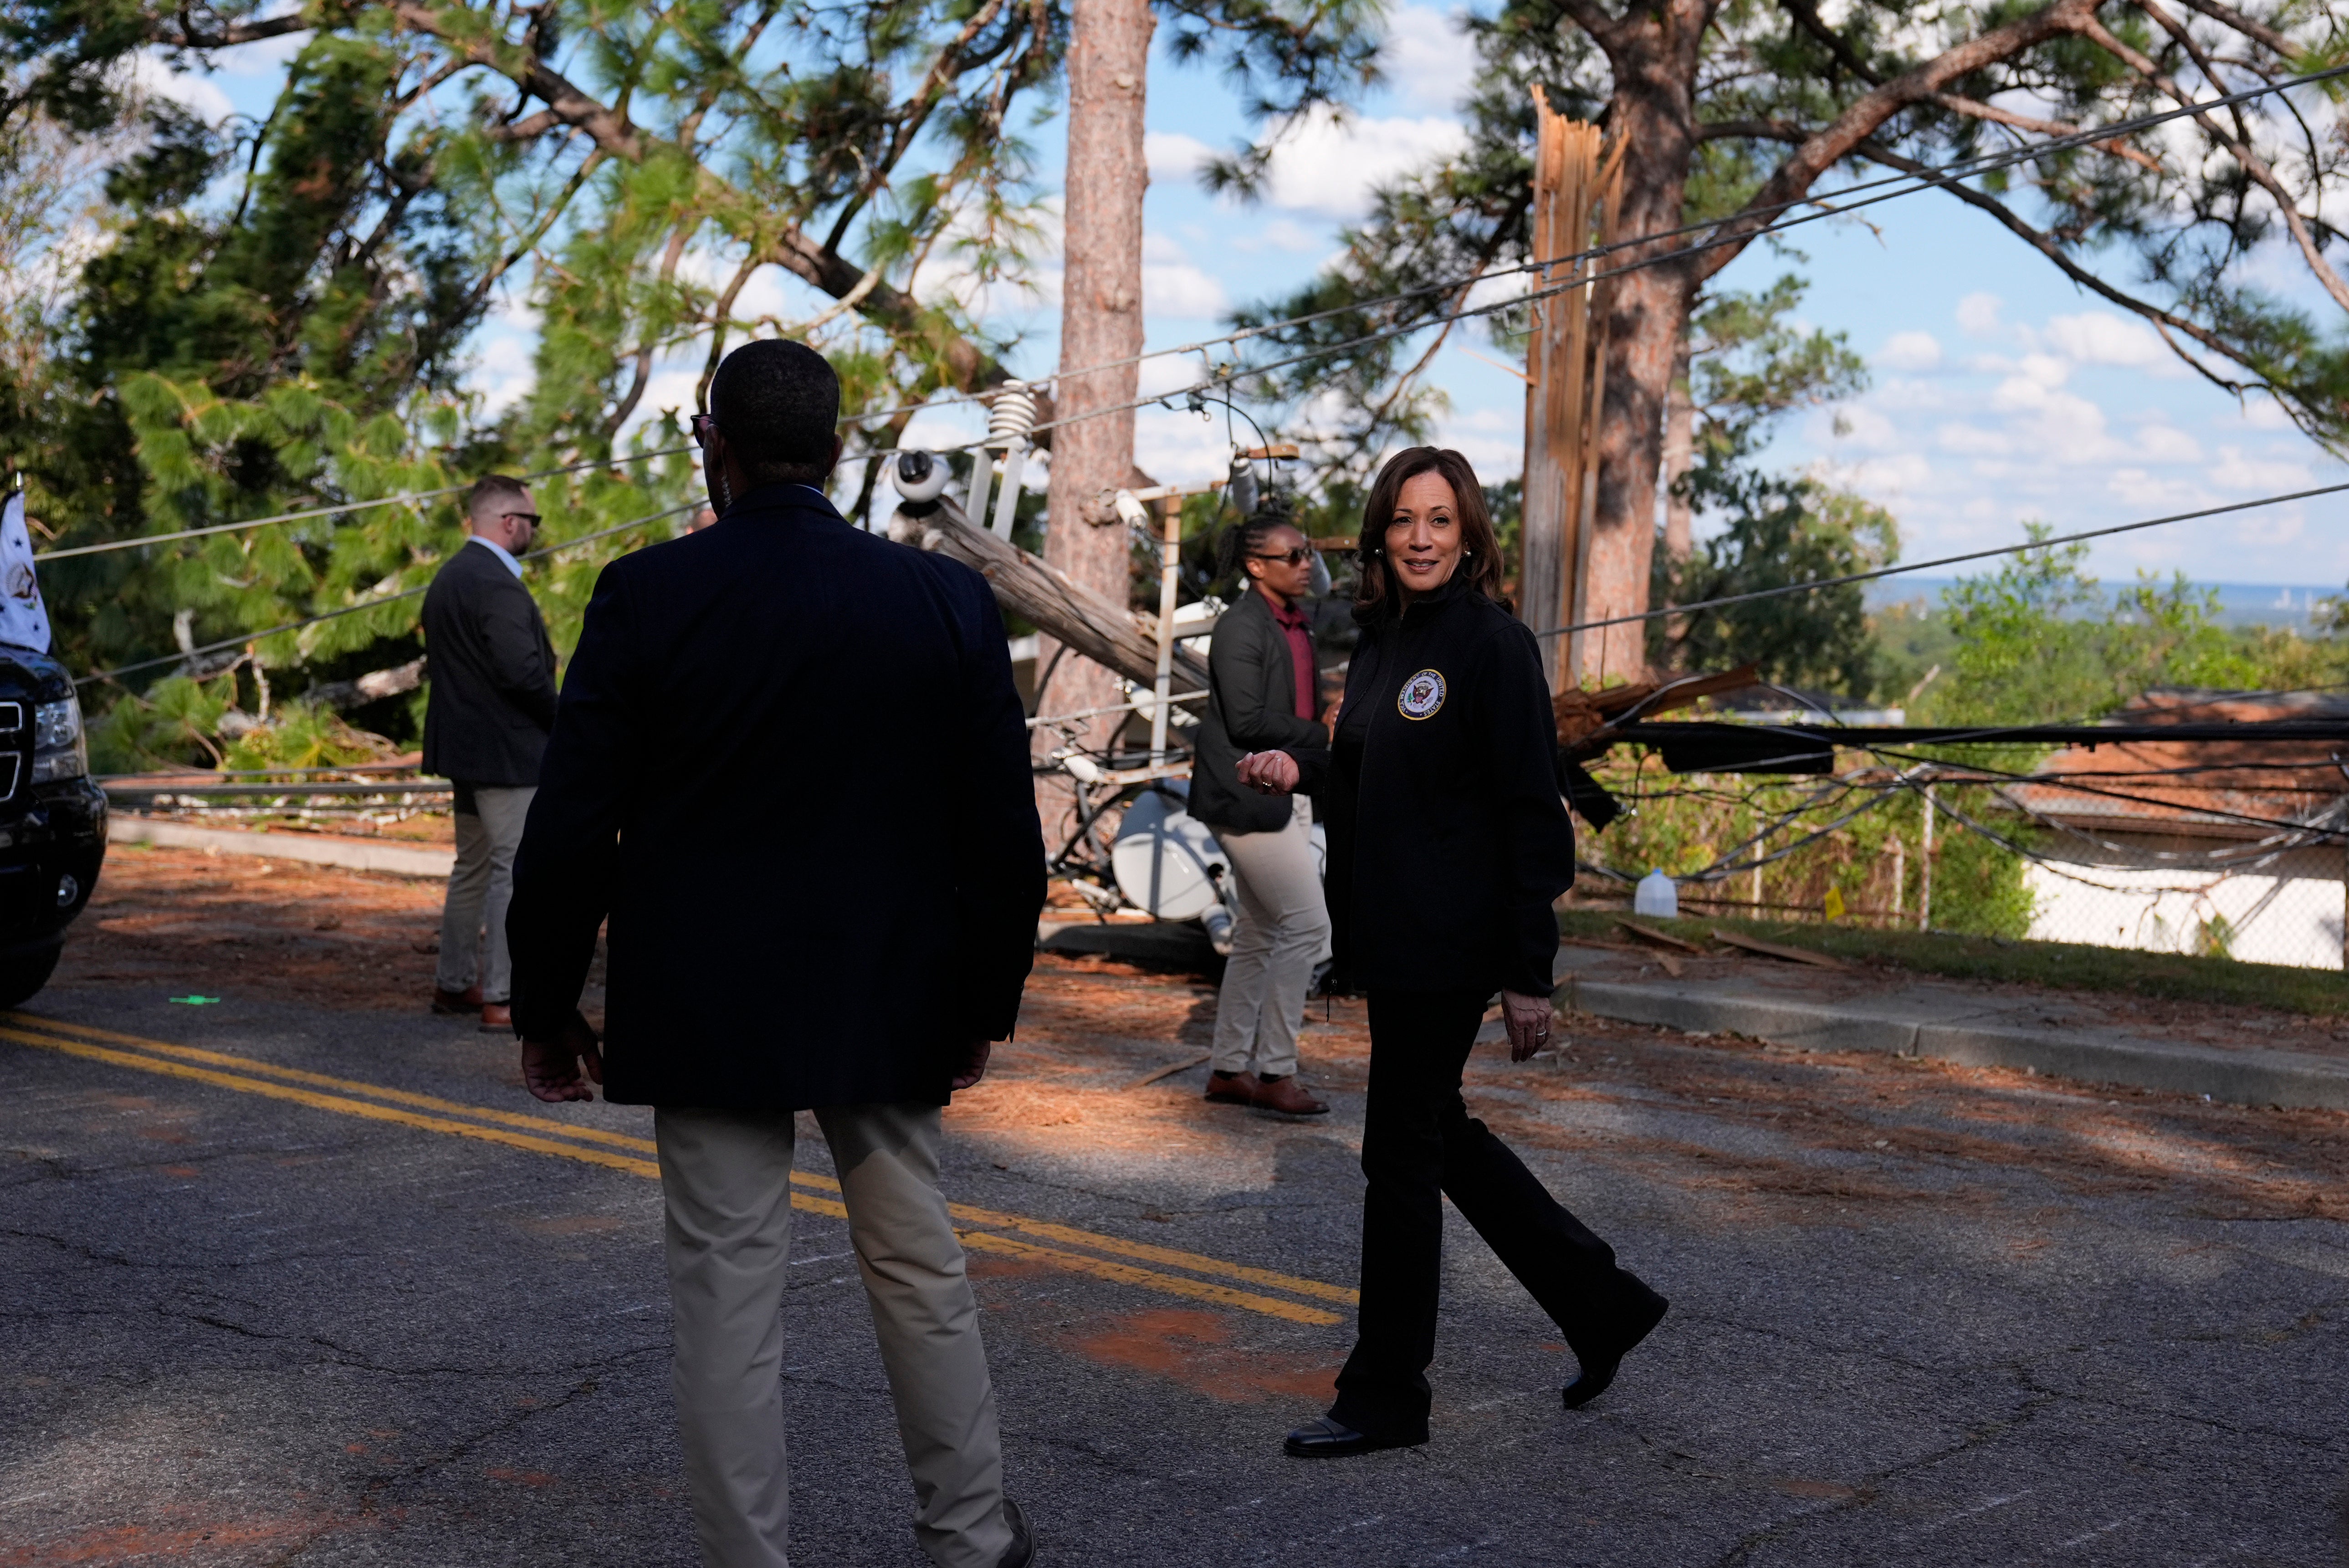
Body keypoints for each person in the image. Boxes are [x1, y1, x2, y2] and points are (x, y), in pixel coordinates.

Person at [503, 338, 1044, 1568]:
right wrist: (982, 1001)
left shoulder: (646, 594)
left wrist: (546, 1003)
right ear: (839, 447)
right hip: (889, 986)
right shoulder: (944, 598)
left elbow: (575, 823)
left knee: (725, 1295)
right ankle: (967, 1538)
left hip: (706, 997)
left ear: (715, 443)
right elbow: (1001, 836)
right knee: (918, 1265)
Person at [1234, 446, 1668, 1460]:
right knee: (1437, 1133)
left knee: (1398, 1154)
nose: (1421, 537)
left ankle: (1387, 1392)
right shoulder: (1384, 644)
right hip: (1389, 936)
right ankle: (1598, 1300)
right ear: (1379, 534)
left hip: (1452, 939)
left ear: (1469, 532)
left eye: (1440, 519)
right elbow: (1365, 784)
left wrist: (1528, 969)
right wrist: (1292, 765)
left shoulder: (1490, 645)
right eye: (1402, 519)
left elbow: (1532, 812)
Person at [1187, 510, 1334, 1116]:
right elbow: (1246, 722)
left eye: (1307, 554)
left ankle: (1229, 1068)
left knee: (1258, 929)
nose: (1306, 565)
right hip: (1245, 795)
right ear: (1255, 566)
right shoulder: (1242, 627)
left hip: (1285, 790)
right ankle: (1275, 1070)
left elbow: (1301, 696)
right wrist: (1320, 732)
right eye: (1292, 556)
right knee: (1309, 924)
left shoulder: (1295, 621)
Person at [423, 475, 559, 1033]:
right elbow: (522, 671)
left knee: (472, 868)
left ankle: (454, 982)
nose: (533, 530)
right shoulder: (498, 584)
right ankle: (502, 997)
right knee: (511, 870)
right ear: (509, 522)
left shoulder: (450, 577)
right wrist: (565, 722)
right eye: (532, 520)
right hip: (506, 755)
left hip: (462, 750)